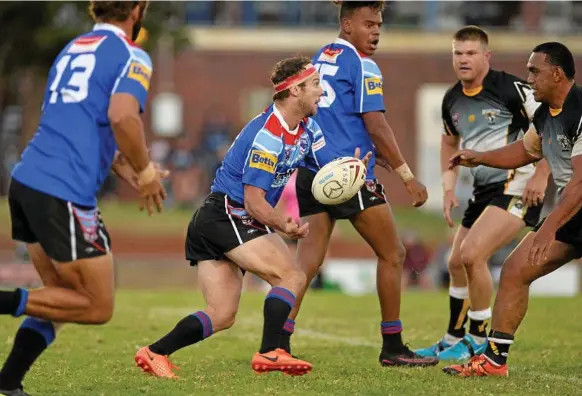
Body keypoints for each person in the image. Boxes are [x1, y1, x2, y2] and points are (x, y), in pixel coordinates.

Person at [134, 55, 360, 378]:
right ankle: (271, 352)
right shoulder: (268, 136)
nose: (321, 92)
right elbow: (254, 203)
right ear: (295, 91)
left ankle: (155, 352)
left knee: (223, 314)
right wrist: (284, 224)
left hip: (226, 219)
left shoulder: (308, 128)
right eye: (314, 86)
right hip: (228, 215)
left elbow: (327, 167)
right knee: (291, 277)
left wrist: (352, 169)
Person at [0, 2, 168, 395]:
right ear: (137, 9)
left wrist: (116, 162)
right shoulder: (132, 54)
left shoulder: (72, 48)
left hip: (28, 181)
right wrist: (144, 171)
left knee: (59, 299)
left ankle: (8, 383)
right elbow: (123, 116)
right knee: (96, 304)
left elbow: (71, 119)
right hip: (63, 190)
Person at [279, 0, 437, 367]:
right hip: (347, 174)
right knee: (393, 253)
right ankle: (393, 346)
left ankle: (277, 340)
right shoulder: (364, 64)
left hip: (311, 168)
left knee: (307, 259)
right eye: (368, 24)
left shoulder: (321, 57)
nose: (376, 31)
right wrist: (406, 176)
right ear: (347, 25)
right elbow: (376, 124)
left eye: (379, 24)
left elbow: (335, 117)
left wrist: (369, 148)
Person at [443, 42, 581, 377]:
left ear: (557, 74)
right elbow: (525, 151)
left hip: (574, 201)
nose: (529, 76)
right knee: (516, 269)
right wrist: (479, 156)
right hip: (572, 209)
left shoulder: (580, 111)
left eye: (535, 70)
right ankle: (493, 361)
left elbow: (580, 184)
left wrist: (547, 230)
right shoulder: (543, 114)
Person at [415, 26, 551, 361]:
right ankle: (452, 337)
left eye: (471, 53)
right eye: (458, 53)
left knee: (472, 254)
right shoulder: (452, 99)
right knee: (455, 262)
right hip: (483, 189)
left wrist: (542, 175)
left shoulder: (511, 89)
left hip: (517, 183)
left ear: (486, 56)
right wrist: (447, 189)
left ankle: (478, 339)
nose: (463, 59)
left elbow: (550, 123)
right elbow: (449, 141)